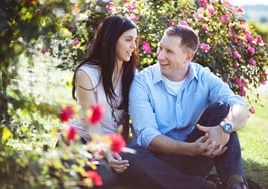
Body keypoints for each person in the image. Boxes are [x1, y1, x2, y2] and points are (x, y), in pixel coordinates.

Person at [120, 25, 250, 189]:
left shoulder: (203, 76)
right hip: (158, 160)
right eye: (160, 48)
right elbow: (147, 136)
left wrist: (225, 128)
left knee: (223, 109)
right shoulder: (143, 82)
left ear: (188, 57)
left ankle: (236, 184)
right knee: (127, 155)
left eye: (169, 51)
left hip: (197, 156)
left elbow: (239, 106)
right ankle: (202, 186)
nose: (160, 56)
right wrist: (191, 149)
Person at [70, 15, 138, 188]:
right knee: (107, 179)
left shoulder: (133, 76)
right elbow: (93, 124)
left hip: (113, 144)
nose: (134, 47)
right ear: (112, 40)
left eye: (135, 40)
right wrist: (106, 153)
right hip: (81, 141)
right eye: (128, 40)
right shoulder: (87, 74)